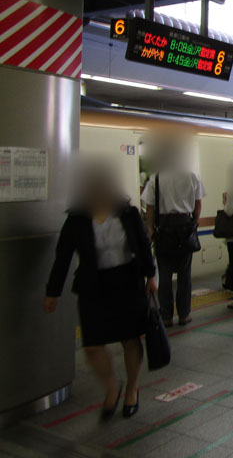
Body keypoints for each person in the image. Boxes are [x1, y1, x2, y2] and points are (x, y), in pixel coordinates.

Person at [44, 160, 156, 420]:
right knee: (93, 346)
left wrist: (151, 276)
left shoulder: (127, 213)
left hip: (127, 282)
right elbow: (63, 256)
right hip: (93, 286)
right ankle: (111, 387)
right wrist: (53, 292)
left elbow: (142, 245)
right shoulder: (77, 219)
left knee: (131, 339)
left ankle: (132, 388)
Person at [142, 165, 205, 327]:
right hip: (185, 225)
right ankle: (184, 315)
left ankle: (166, 316)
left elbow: (150, 207)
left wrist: (150, 229)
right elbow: (198, 204)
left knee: (164, 275)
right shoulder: (192, 176)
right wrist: (194, 223)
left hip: (164, 228)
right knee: (185, 274)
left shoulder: (156, 177)